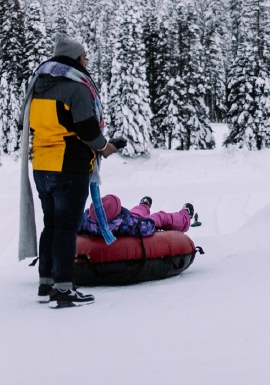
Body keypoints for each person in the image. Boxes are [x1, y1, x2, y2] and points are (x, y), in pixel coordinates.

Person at [19, 34, 119, 308]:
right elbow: (87, 129)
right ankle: (64, 290)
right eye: (84, 57)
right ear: (75, 59)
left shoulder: (37, 85)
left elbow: (24, 123)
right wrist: (105, 147)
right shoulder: (76, 88)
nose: (86, 62)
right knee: (66, 228)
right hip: (69, 167)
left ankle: (46, 284)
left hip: (41, 166)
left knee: (51, 225)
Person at [79, 195, 196, 237]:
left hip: (125, 221)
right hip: (137, 225)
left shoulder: (87, 221)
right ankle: (185, 217)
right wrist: (150, 223)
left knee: (134, 213)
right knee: (160, 216)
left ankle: (143, 206)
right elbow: (146, 227)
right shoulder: (124, 224)